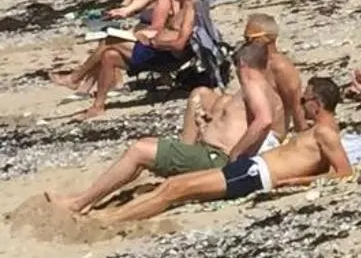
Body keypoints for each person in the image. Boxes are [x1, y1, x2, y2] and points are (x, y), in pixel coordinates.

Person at [61, 22, 287, 214]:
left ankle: (79, 203)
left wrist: (236, 154)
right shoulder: (264, 88)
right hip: (210, 153)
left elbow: (264, 120)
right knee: (147, 147)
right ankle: (88, 198)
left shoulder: (253, 85)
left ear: (243, 65)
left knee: (139, 149)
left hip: (216, 159)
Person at [104, 78, 352, 224]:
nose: (300, 105)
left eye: (304, 100)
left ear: (317, 104)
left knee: (175, 190)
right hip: (254, 169)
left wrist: (295, 182)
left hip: (257, 176)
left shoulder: (326, 133)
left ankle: (111, 221)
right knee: (174, 184)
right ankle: (114, 216)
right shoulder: (318, 130)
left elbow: (344, 173)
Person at [59, 0, 201, 117]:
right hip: (158, 52)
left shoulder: (191, 10)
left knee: (109, 41)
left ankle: (75, 78)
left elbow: (179, 44)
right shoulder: (188, 6)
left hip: (163, 56)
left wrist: (153, 43)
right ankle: (98, 106)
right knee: (109, 55)